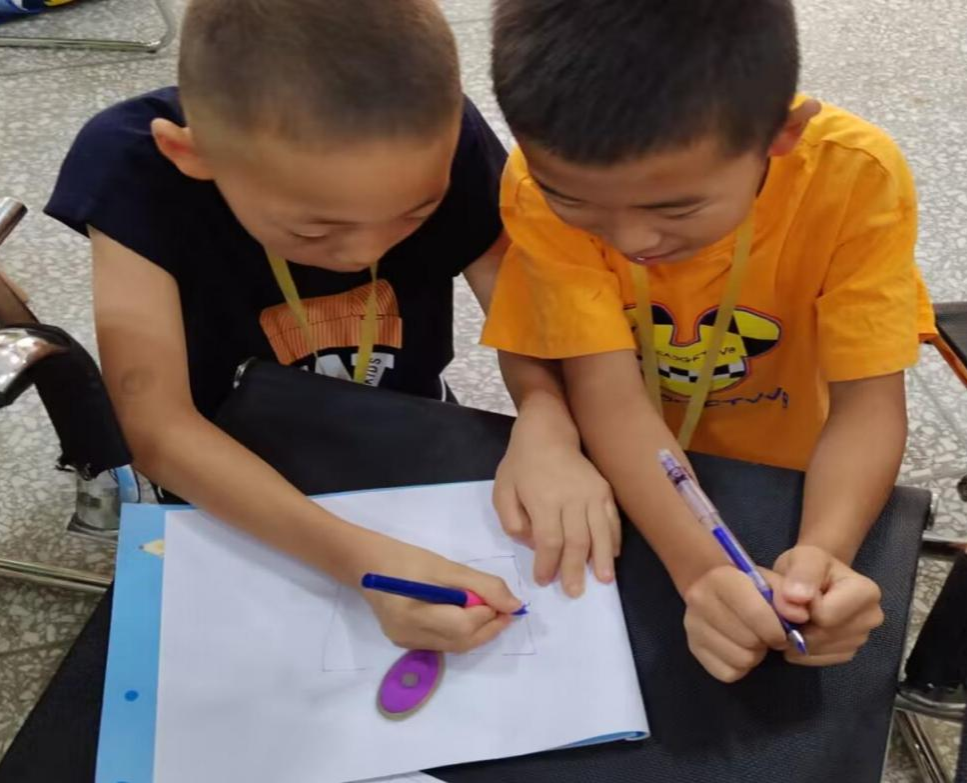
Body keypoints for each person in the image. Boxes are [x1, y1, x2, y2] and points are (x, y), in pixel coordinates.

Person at [46, 0, 617, 655]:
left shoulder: (440, 132)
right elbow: (157, 427)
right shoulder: (134, 167)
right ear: (191, 153)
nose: (364, 251)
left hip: (404, 421)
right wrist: (362, 562)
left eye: (417, 211)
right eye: (315, 229)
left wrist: (545, 417)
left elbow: (523, 312)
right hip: (228, 462)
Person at [483, 0, 936, 681]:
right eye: (573, 202)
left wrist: (823, 555)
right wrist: (699, 572)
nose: (632, 240)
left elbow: (867, 403)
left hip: (793, 467)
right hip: (626, 473)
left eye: (676, 208)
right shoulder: (532, 181)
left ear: (780, 135)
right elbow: (607, 393)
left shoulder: (855, 177)